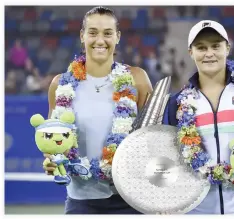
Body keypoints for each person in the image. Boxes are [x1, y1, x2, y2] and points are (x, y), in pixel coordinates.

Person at [163, 20, 234, 214]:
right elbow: (173, 156)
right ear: (191, 52)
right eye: (201, 47)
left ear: (227, 48)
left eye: (216, 46)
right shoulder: (178, 103)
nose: (209, 53)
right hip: (197, 210)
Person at [43, 6, 153, 214]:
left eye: (107, 33)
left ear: (118, 37)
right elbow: (53, 142)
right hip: (81, 200)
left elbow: (152, 138)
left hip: (131, 199)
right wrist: (51, 160)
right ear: (82, 36)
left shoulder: (137, 79)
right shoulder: (60, 85)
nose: (100, 40)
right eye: (92, 32)